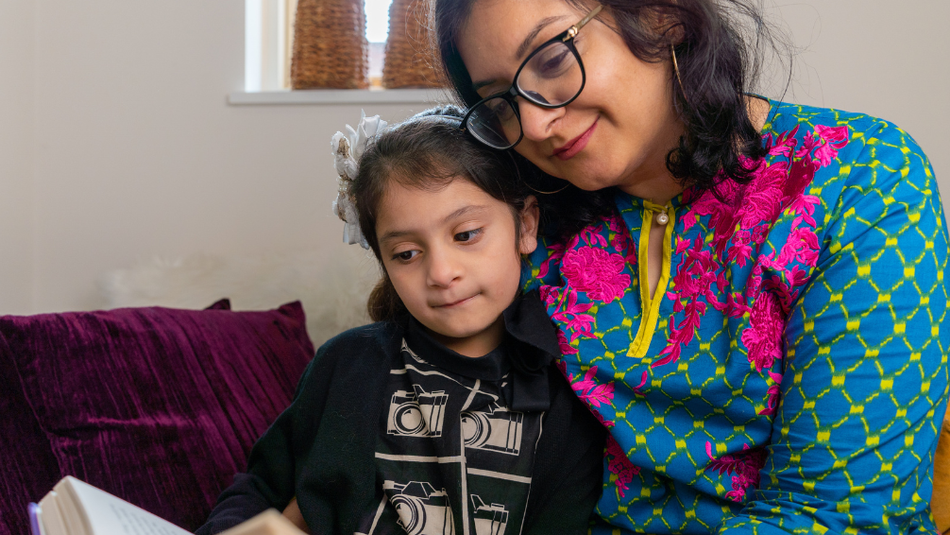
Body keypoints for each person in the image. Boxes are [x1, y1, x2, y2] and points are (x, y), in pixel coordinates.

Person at [431, 0, 950, 533]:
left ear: (662, 17)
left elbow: (836, 515)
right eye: (500, 101)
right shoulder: (523, 216)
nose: (535, 125)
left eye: (552, 59)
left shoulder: (859, 182)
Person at [194, 106, 606, 535]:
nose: (442, 273)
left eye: (465, 235)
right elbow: (261, 487)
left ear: (525, 224)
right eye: (406, 254)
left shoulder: (570, 391)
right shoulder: (350, 363)